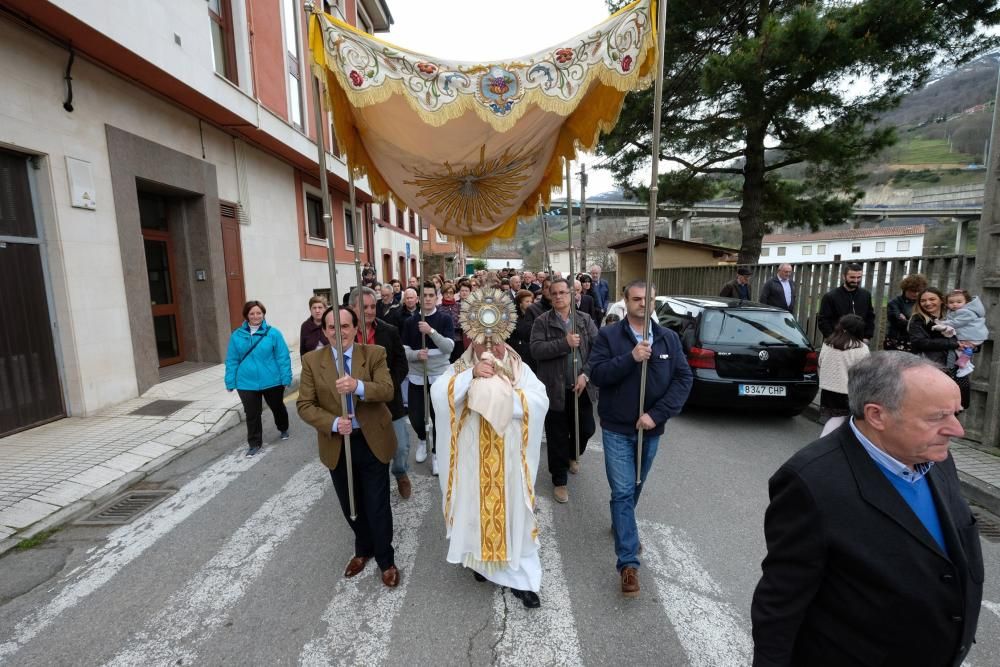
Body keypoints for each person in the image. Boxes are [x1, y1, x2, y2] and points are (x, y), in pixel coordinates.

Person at [751, 352, 983, 667]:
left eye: (956, 413)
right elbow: (780, 603)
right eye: (937, 417)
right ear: (877, 415)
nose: (957, 431)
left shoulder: (936, 456)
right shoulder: (811, 482)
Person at [431, 287, 549, 608]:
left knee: (514, 515)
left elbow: (539, 401)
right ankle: (481, 564)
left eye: (495, 338)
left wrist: (504, 399)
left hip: (510, 460)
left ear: (504, 335)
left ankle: (521, 576)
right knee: (475, 513)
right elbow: (440, 396)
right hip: (474, 458)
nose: (489, 345)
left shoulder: (518, 367)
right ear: (469, 338)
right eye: (481, 338)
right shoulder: (461, 366)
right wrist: (471, 377)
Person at [589, 280, 693, 598]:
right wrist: (631, 358)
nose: (642, 304)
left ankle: (623, 526)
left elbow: (683, 378)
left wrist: (656, 415)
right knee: (622, 491)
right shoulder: (608, 336)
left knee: (634, 486)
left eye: (648, 299)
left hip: (650, 429)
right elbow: (597, 374)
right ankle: (628, 563)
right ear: (625, 301)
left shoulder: (668, 338)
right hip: (617, 428)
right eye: (636, 299)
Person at [297, 306, 400, 588]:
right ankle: (362, 548)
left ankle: (385, 559)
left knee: (377, 504)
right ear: (324, 330)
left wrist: (358, 386)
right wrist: (331, 423)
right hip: (337, 443)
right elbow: (305, 405)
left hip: (372, 441)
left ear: (355, 328)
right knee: (350, 503)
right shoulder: (311, 361)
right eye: (332, 327)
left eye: (344, 326)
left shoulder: (374, 353)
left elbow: (387, 389)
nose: (338, 332)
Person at [530, 278, 599, 503]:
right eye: (554, 293)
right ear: (549, 296)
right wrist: (564, 343)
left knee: (586, 428)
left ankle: (573, 454)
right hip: (554, 388)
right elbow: (536, 350)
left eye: (563, 292)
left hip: (581, 387)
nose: (559, 296)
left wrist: (585, 374)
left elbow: (598, 351)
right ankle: (559, 480)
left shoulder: (585, 320)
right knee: (557, 435)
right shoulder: (542, 322)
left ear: (571, 295)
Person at [349, 287, 412, 499]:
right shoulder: (346, 335)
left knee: (401, 447)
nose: (369, 310)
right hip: (359, 403)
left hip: (389, 399)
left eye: (372, 306)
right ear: (352, 308)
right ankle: (375, 485)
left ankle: (400, 472)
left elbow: (401, 363)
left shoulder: (389, 331)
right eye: (364, 307)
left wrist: (387, 387)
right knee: (371, 451)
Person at [225, 300, 292, 457]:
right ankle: (254, 443)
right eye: (252, 313)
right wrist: (230, 380)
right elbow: (232, 359)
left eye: (258, 313)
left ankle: (283, 427)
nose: (255, 316)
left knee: (277, 407)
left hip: (272, 380)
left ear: (263, 314)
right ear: (246, 316)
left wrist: (286, 377)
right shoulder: (237, 336)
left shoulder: (273, 333)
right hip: (246, 382)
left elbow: (283, 357)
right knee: (252, 414)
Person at [401, 281, 455, 474]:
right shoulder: (409, 322)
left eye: (431, 295)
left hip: (439, 376)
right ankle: (423, 440)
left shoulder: (445, 319)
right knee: (416, 417)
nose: (428, 299)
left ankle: (436, 454)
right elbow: (404, 350)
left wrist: (430, 332)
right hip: (417, 376)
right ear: (418, 298)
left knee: (438, 416)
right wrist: (416, 355)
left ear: (437, 297)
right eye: (424, 296)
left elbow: (449, 348)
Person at [908, 287, 969, 408]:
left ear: (941, 300)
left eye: (932, 299)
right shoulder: (918, 320)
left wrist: (972, 345)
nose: (928, 303)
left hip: (956, 367)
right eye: (923, 300)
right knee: (932, 406)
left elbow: (971, 337)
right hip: (932, 368)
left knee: (954, 406)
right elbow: (920, 343)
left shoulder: (955, 317)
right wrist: (954, 344)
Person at [818, 314, 869, 437]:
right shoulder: (861, 349)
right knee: (841, 422)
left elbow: (820, 362)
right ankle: (825, 442)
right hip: (847, 391)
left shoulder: (828, 343)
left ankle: (828, 441)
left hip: (827, 389)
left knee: (832, 419)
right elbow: (864, 373)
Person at [934, 289, 987, 379]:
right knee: (961, 350)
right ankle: (966, 365)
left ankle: (965, 366)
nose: (955, 304)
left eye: (959, 302)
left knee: (960, 348)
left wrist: (943, 323)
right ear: (946, 303)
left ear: (966, 302)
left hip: (972, 336)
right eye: (951, 302)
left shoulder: (966, 312)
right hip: (973, 335)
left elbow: (957, 323)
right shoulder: (958, 311)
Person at [817, 263, 874, 340]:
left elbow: (870, 317)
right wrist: (832, 338)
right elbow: (823, 320)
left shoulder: (866, 295)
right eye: (852, 277)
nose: (856, 280)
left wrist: (867, 336)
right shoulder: (830, 296)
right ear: (844, 276)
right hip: (837, 341)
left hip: (860, 341)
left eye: (859, 277)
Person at [884, 273, 927, 351]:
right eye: (913, 291)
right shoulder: (894, 303)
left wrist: (908, 321)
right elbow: (899, 322)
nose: (916, 294)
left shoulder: (923, 302)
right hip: (898, 340)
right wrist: (921, 324)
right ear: (905, 289)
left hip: (918, 341)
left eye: (919, 291)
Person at [509, 289, 537, 370]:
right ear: (520, 303)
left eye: (531, 301)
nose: (530, 304)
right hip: (518, 351)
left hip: (532, 351)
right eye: (527, 301)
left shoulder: (535, 315)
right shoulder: (513, 317)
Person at [439, 284, 464, 363]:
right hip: (444, 340)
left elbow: (464, 323)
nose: (448, 295)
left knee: (458, 364)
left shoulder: (460, 306)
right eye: (446, 292)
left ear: (454, 294)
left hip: (458, 340)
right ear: (442, 294)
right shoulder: (438, 308)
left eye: (451, 292)